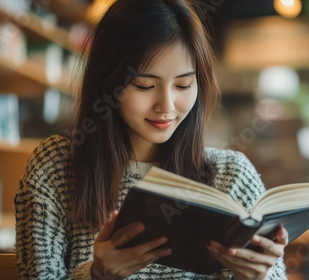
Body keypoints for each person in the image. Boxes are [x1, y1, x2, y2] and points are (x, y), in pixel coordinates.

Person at [15, 0, 288, 279]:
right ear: (107, 81)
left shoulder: (232, 176)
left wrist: (256, 276)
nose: (166, 105)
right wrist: (96, 275)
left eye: (183, 85)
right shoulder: (56, 167)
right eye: (145, 85)